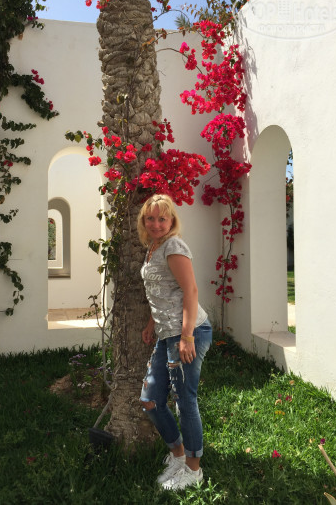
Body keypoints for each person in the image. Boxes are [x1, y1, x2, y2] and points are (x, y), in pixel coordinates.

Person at [138, 194, 212, 491]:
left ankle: (193, 470)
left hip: (187, 333)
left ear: (171, 221)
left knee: (185, 401)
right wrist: (151, 323)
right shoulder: (153, 247)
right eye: (150, 218)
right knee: (150, 399)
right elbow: (163, 291)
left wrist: (187, 336)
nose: (156, 224)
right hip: (166, 333)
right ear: (144, 221)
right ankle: (178, 455)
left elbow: (190, 291)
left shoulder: (173, 246)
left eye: (162, 218)